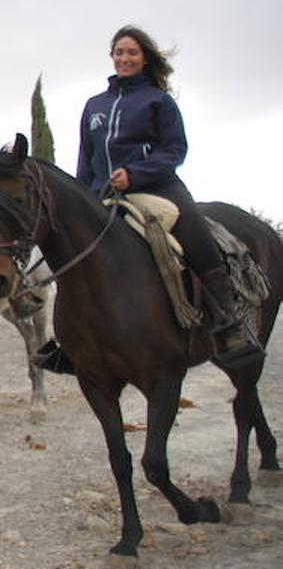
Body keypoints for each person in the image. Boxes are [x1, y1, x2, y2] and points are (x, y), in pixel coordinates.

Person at [74, 24, 262, 369]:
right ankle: (74, 339)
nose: (124, 58)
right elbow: (85, 159)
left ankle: (227, 321)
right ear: (111, 56)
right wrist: (83, 197)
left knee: (199, 238)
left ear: (145, 58)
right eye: (119, 52)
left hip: (157, 187)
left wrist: (136, 173)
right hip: (103, 192)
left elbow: (175, 150)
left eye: (132, 52)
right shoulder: (94, 106)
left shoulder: (158, 101)